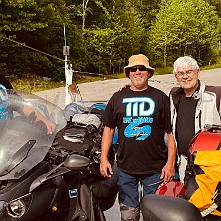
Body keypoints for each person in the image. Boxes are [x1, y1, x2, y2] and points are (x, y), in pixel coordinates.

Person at [100, 54, 176, 221]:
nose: (138, 72)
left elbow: (171, 133)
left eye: (142, 68)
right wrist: (103, 159)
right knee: (128, 216)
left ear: (148, 73)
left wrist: (170, 164)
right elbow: (108, 129)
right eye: (133, 69)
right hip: (126, 169)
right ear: (128, 73)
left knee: (155, 216)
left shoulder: (160, 97)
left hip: (156, 170)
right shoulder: (117, 97)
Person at [170, 56, 221, 182]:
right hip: (184, 163)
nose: (185, 76)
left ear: (197, 72)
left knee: (210, 201)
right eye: (180, 73)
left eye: (189, 71)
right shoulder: (173, 95)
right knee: (188, 200)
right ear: (176, 77)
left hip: (211, 165)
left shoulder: (215, 94)